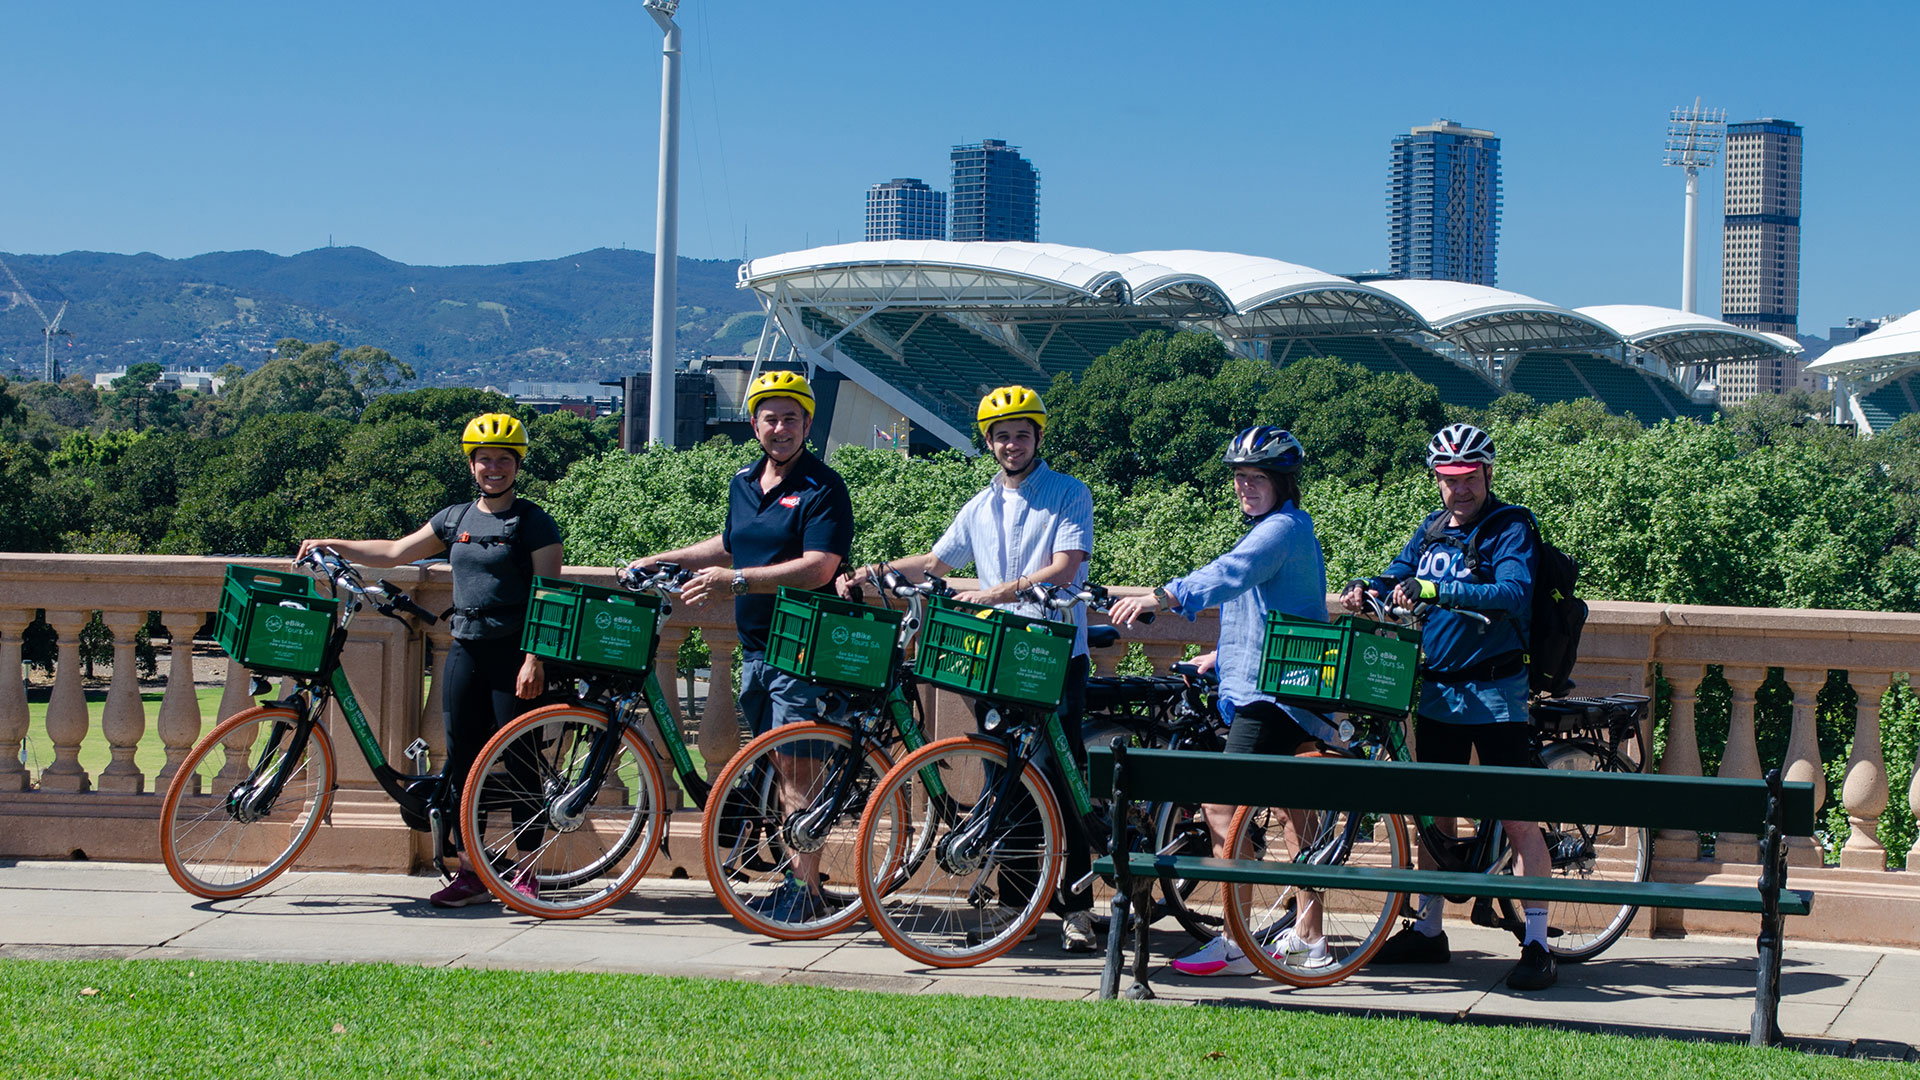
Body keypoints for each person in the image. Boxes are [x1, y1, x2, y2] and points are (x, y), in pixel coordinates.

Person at [836, 385, 1098, 953]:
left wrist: (1000, 591)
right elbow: (936, 561)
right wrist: (872, 570)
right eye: (1002, 436)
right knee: (1002, 777)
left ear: (1038, 438)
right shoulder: (980, 504)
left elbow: (1065, 567)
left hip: (1052, 653)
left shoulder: (1069, 493)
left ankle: (1078, 906)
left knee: (1059, 773)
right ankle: (1017, 899)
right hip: (997, 654)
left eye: (1021, 434)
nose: (1012, 444)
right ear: (989, 442)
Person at [297, 412, 563, 908]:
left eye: (504, 459)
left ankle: (526, 870)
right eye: (485, 459)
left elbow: (551, 595)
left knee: (522, 761)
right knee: (462, 762)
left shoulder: (532, 522)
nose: (494, 468)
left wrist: (535, 660)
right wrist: (334, 542)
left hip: (514, 654)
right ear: (471, 466)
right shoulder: (456, 517)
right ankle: (472, 871)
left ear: (517, 465)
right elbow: (397, 550)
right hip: (465, 648)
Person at [1338, 421, 1556, 991]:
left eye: (1467, 478)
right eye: (1446, 479)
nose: (1457, 490)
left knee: (1518, 819)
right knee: (1434, 814)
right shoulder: (1432, 530)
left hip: (1495, 692)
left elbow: (1512, 593)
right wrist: (1368, 586)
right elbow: (1398, 572)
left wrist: (1437, 592)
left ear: (1486, 473)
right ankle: (1430, 931)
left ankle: (1538, 942)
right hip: (1437, 690)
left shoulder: (1510, 526)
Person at [1109, 426, 1335, 976]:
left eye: (1257, 477)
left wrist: (1158, 597)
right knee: (1291, 811)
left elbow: (1230, 576)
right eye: (1239, 478)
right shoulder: (1281, 528)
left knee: (1219, 805)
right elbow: (1260, 609)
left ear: (1283, 482)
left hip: (1272, 694)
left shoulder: (1280, 528)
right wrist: (1218, 656)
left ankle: (1238, 942)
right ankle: (1309, 936)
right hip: (1283, 684)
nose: (1245, 487)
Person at [632, 369, 853, 922]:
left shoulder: (823, 487)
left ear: (808, 424)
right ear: (754, 424)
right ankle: (798, 880)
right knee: (778, 766)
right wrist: (664, 559)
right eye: (770, 418)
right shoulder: (743, 482)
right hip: (755, 647)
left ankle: (803, 890)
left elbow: (819, 566)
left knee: (799, 766)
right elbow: (729, 544)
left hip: (801, 643)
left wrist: (739, 582)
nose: (780, 428)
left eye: (791, 419)